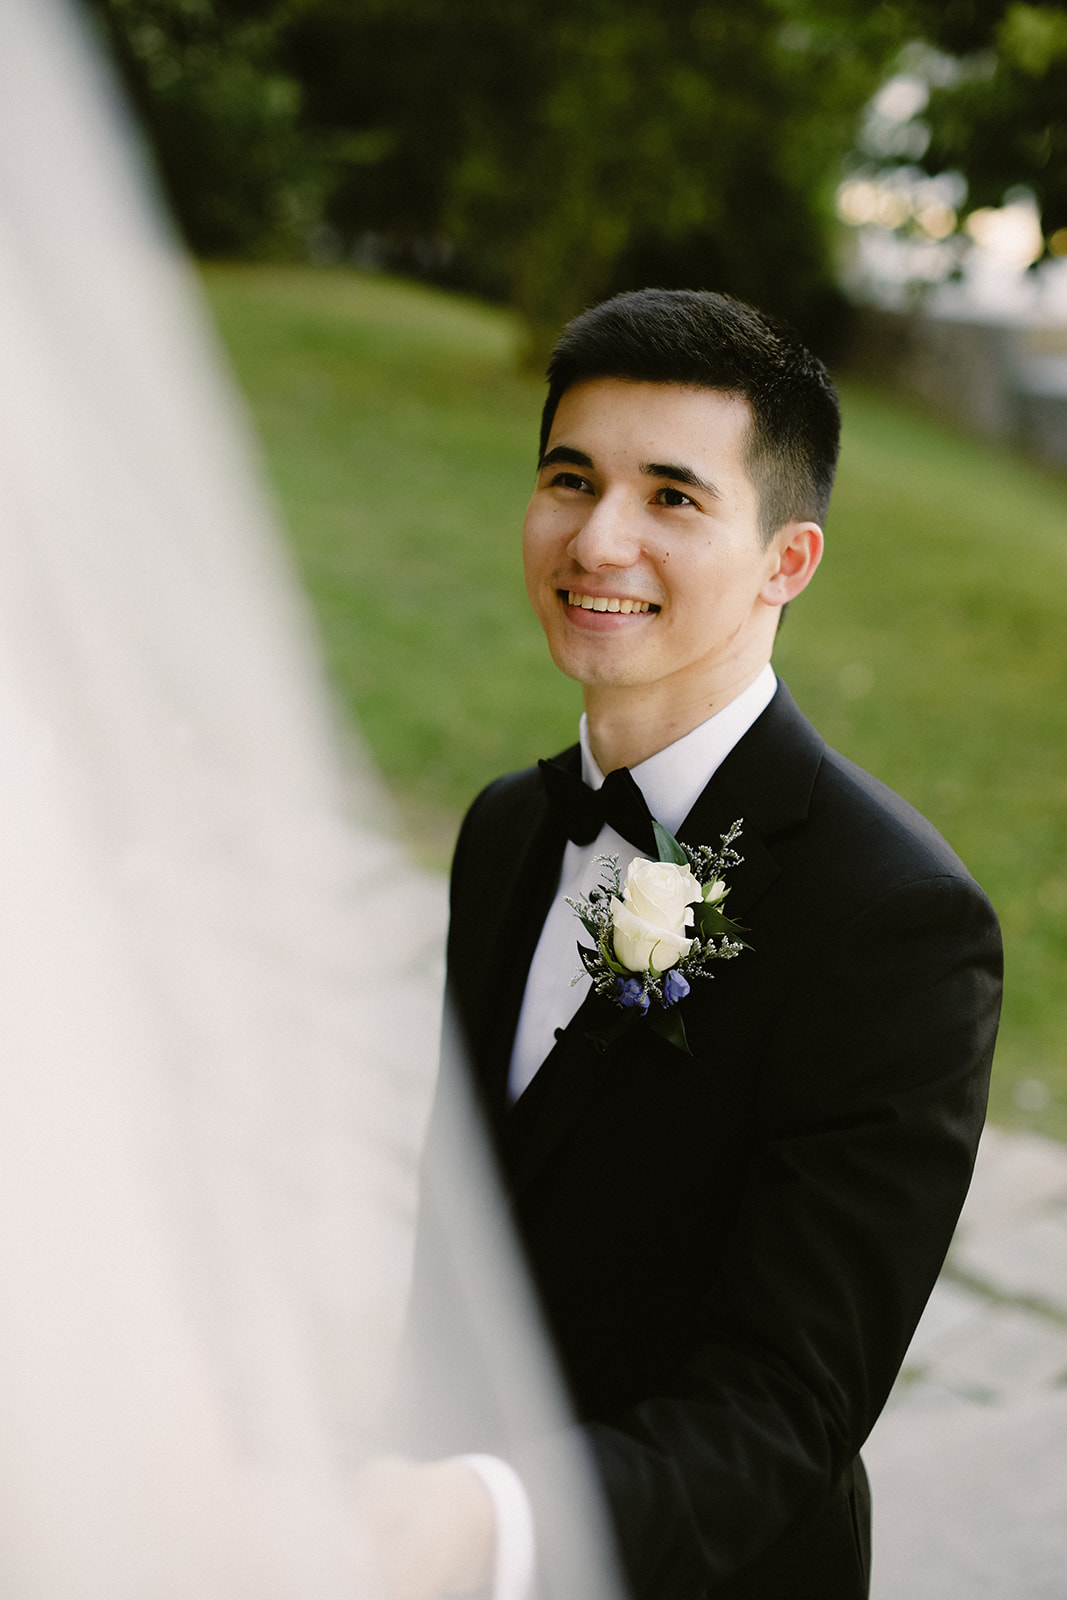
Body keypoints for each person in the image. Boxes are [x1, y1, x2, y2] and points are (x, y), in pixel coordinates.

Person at [362, 288, 1002, 1600]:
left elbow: (791, 1410)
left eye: (672, 496)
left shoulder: (898, 924)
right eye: (570, 478)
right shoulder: (503, 830)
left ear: (788, 561)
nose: (598, 538)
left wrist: (489, 1519)